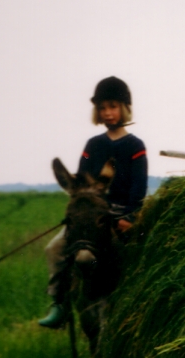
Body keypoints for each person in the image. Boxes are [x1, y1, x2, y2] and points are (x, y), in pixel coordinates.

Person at [39, 76, 148, 328]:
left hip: (121, 215)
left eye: (113, 106)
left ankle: (139, 304)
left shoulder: (135, 146)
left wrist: (129, 217)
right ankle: (59, 302)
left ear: (124, 108)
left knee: (136, 254)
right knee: (54, 249)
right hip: (92, 215)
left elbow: (138, 188)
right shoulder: (93, 145)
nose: (108, 113)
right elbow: (81, 184)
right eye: (102, 108)